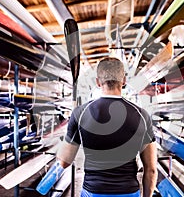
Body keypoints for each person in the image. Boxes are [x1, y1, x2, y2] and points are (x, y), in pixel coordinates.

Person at [40, 57, 157, 197]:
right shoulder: (142, 115)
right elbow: (151, 170)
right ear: (124, 81)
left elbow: (64, 161)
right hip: (128, 192)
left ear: (97, 82)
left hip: (92, 191)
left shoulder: (80, 113)